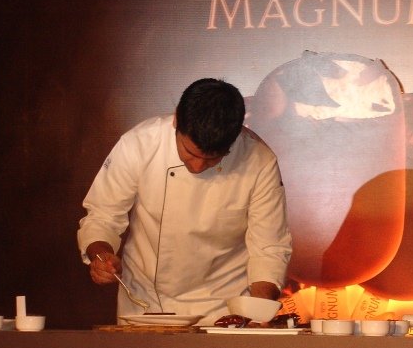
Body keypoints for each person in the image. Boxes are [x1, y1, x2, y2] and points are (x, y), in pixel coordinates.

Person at [77, 78, 292, 326]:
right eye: (189, 152)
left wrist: (258, 310)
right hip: (146, 304)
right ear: (176, 119)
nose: (197, 166)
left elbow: (269, 248)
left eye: (212, 159)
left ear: (235, 138)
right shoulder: (140, 143)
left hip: (223, 310)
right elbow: (103, 216)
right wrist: (101, 256)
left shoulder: (259, 161)